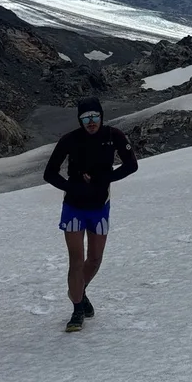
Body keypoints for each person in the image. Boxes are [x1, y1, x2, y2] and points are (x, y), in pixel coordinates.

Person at [43, 95, 138, 332]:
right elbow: (50, 173)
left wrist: (107, 178)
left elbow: (131, 164)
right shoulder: (69, 140)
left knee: (95, 259)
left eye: (95, 116)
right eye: (86, 118)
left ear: (101, 116)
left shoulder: (113, 136)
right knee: (76, 260)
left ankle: (78, 291)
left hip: (99, 206)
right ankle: (77, 309)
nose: (91, 121)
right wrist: (71, 186)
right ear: (80, 120)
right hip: (74, 207)